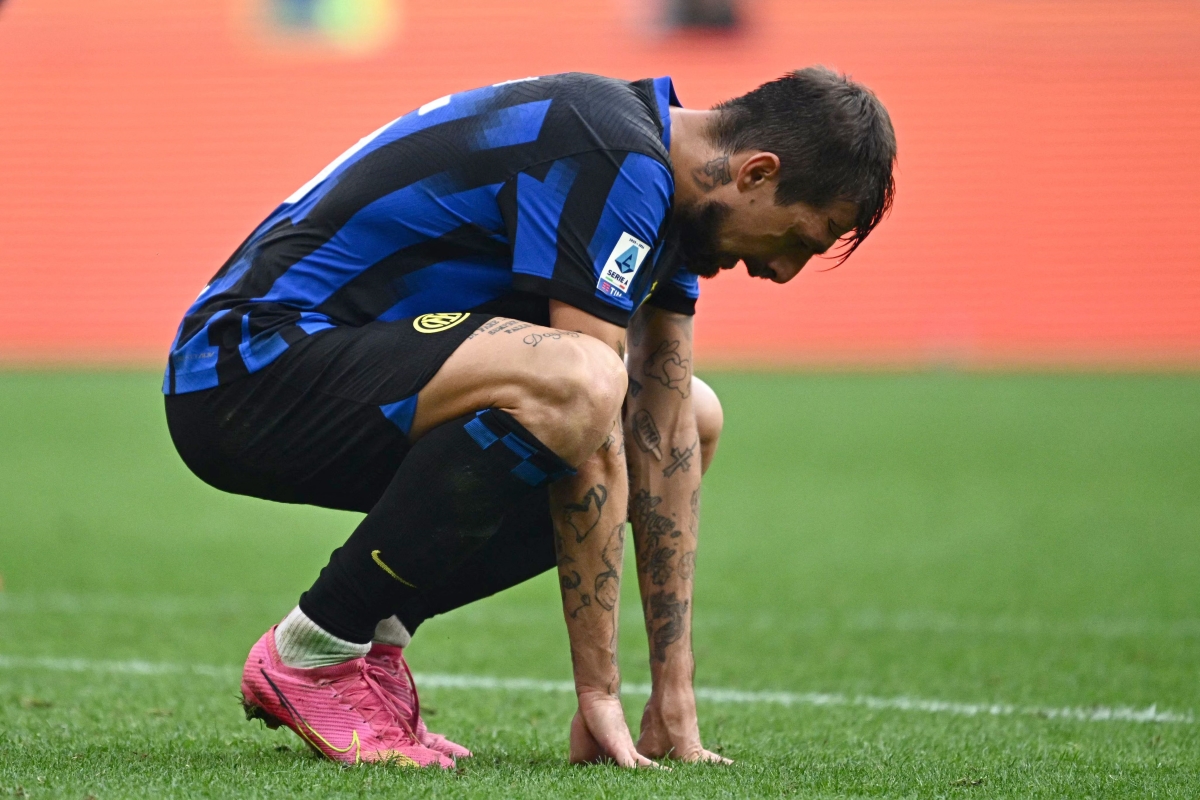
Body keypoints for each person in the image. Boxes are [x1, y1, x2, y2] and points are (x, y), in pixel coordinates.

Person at [163, 67, 896, 768]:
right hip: (241, 370)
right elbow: (592, 418)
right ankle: (314, 652)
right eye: (802, 236)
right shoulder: (610, 151)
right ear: (756, 173)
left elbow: (662, 434)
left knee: (693, 417)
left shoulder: (668, 190)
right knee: (578, 382)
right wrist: (597, 691)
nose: (784, 270)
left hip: (342, 375)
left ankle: (370, 644)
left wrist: (672, 699)